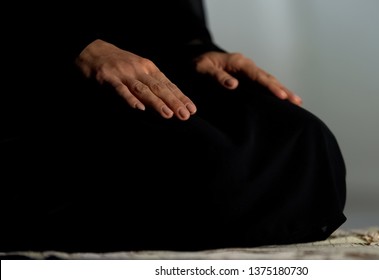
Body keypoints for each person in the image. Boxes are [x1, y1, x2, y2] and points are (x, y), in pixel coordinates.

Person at [1, 0, 346, 252]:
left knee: (302, 138)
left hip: (155, 66)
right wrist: (81, 47)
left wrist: (201, 50)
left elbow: (177, 19)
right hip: (44, 71)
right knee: (210, 163)